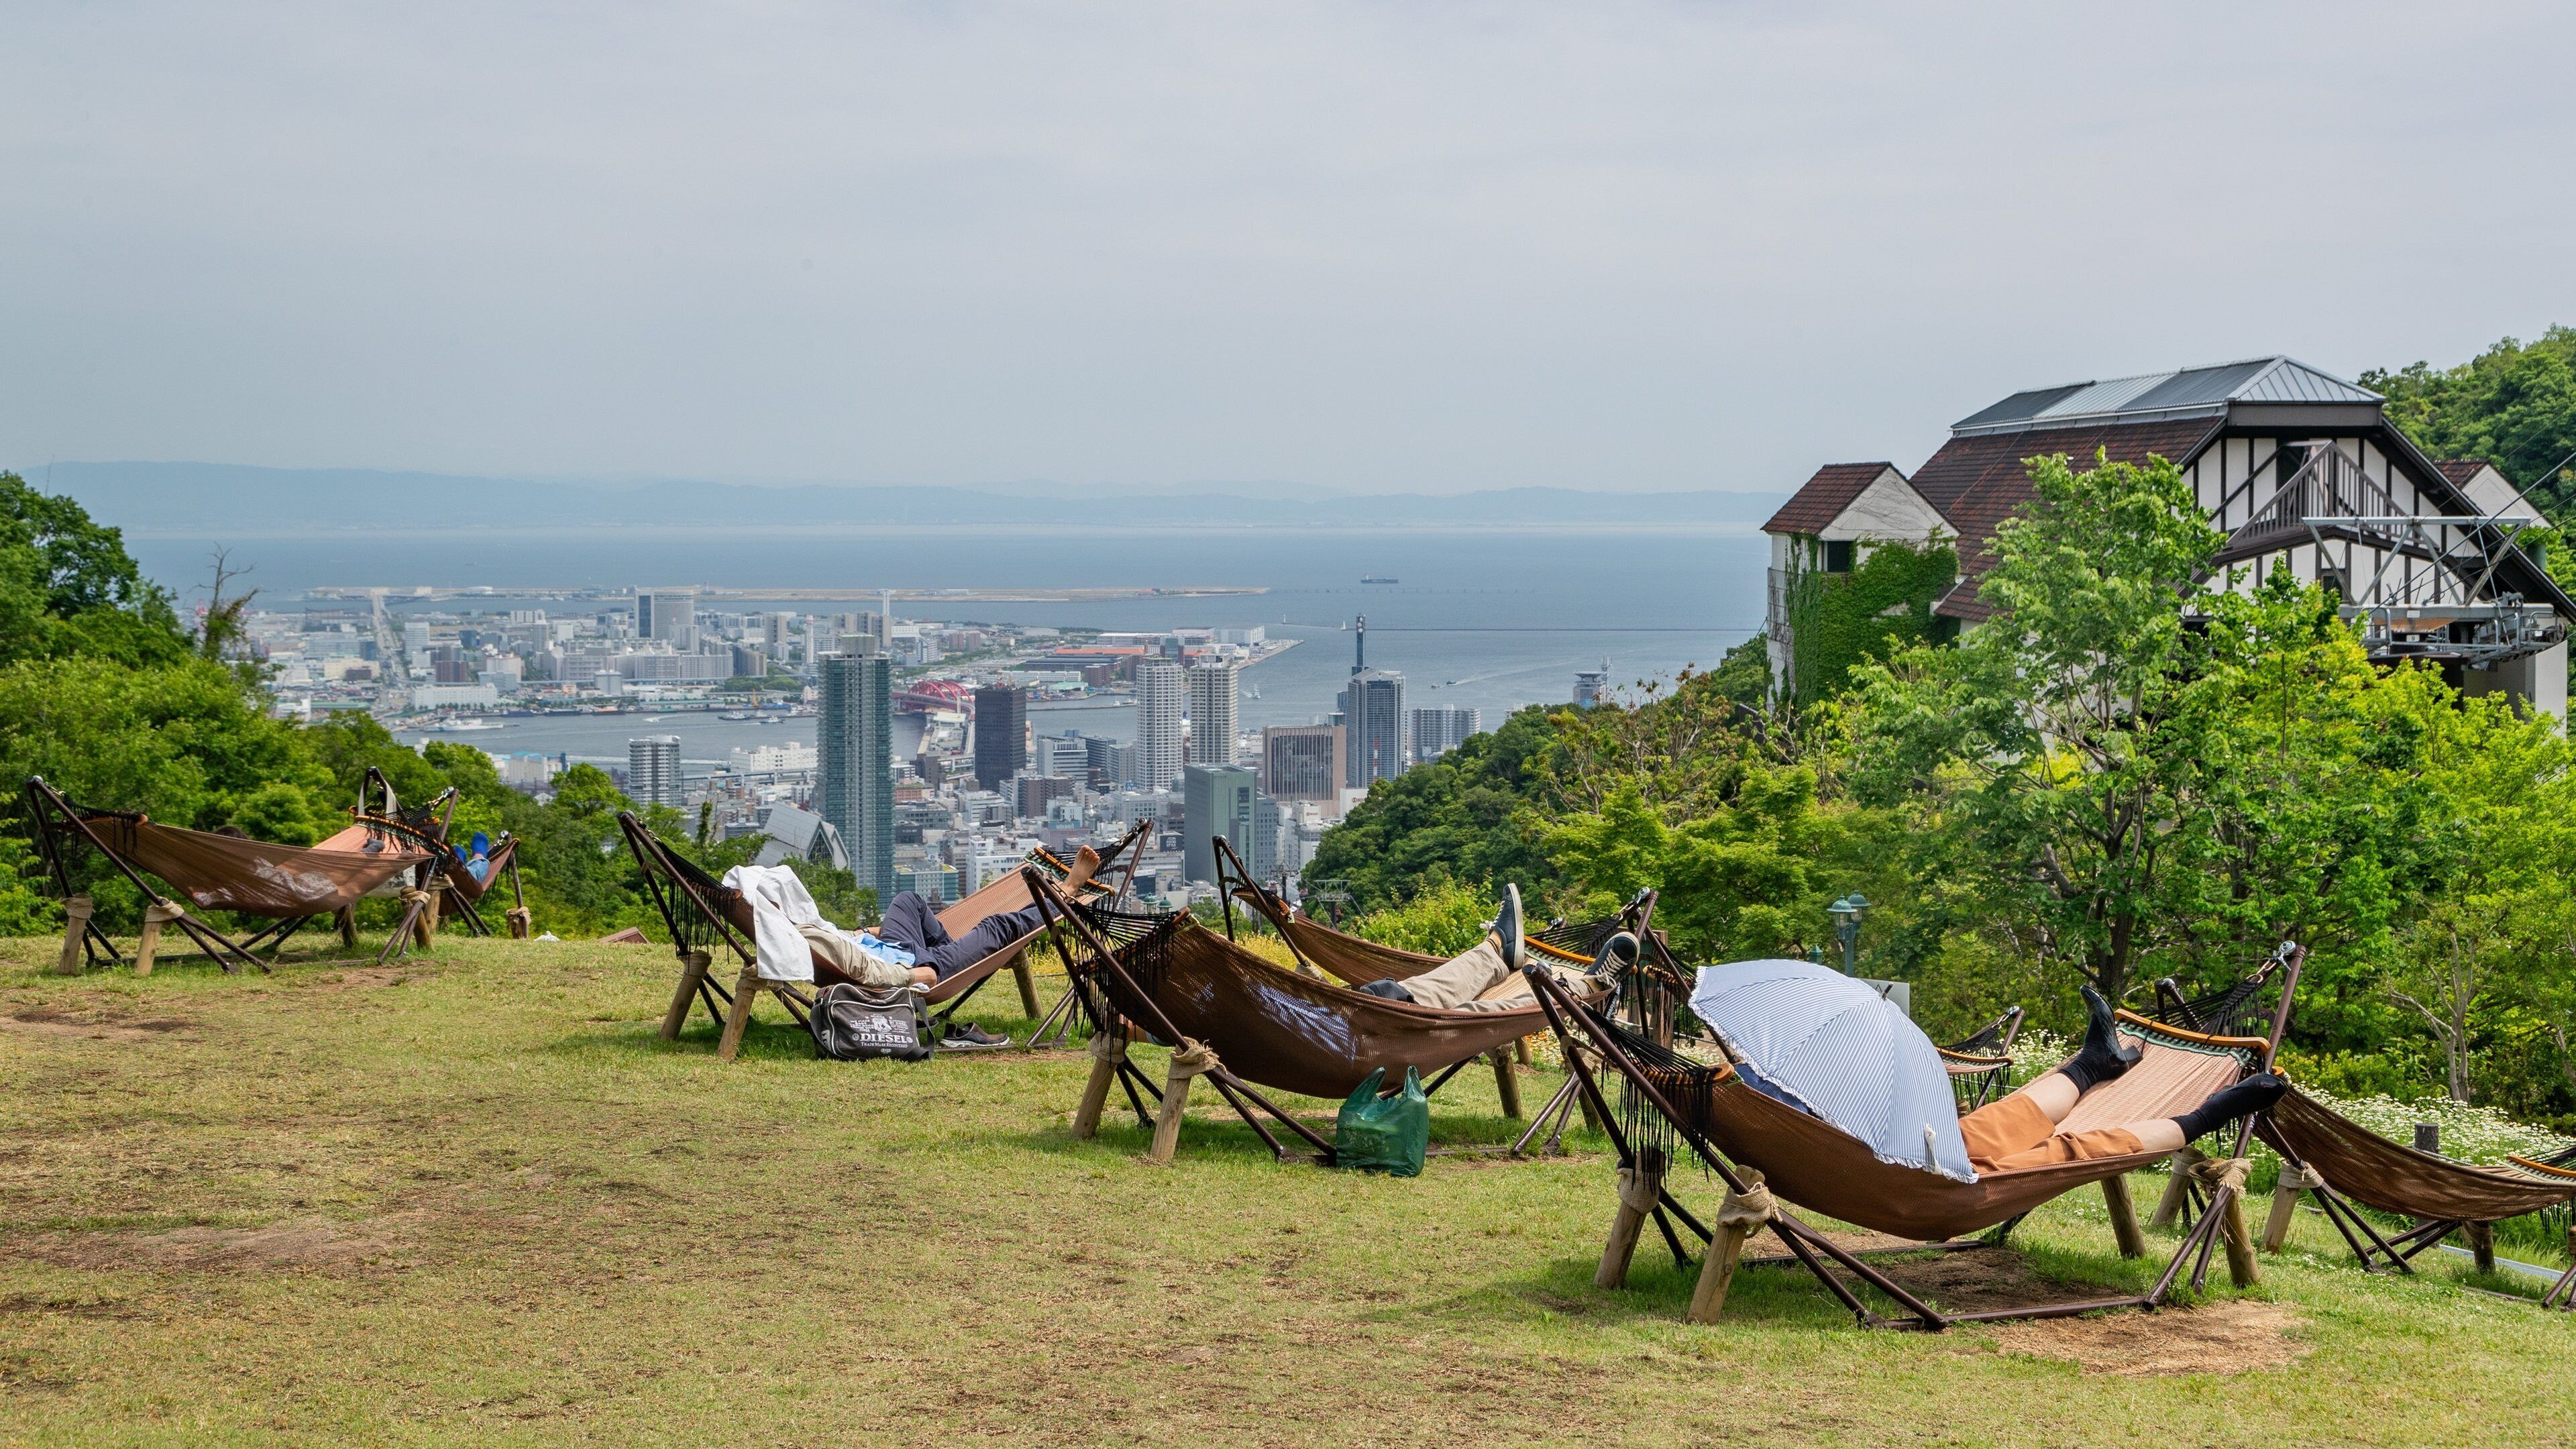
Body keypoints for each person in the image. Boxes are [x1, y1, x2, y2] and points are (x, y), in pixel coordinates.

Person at [1953, 984, 2286, 1174]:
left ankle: (2093, 1066)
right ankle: (2206, 1116)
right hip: (1940, 1189)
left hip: (1916, 1154)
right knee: (2061, 1153)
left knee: (1978, 1129)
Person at [1352, 884, 1638, 1012]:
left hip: (1364, 1012)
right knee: (1481, 1014)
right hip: (1375, 1037)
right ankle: (1589, 985)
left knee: (1412, 995)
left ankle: (1495, 949)